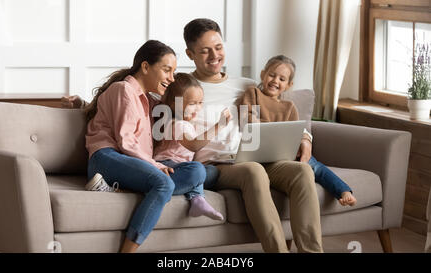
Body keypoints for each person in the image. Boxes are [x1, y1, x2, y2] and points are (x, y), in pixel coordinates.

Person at [183, 18, 323, 253]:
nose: (214, 56)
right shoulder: (185, 88)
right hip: (219, 164)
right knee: (253, 170)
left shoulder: (246, 85)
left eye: (218, 48)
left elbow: (282, 111)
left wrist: (305, 138)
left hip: (257, 155)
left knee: (302, 171)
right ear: (190, 54)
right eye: (205, 51)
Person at [85, 40, 209, 253]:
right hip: (106, 157)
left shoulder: (150, 102)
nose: (172, 78)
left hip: (130, 164)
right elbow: (126, 141)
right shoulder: (124, 89)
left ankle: (120, 189)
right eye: (166, 70)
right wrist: (155, 166)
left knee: (199, 171)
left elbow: (177, 112)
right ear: (145, 67)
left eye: (174, 72)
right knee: (164, 184)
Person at [236, 54, 357, 206]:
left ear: (289, 85)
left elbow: (297, 132)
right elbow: (247, 120)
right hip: (260, 152)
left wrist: (302, 143)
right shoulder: (253, 93)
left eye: (282, 79)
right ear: (263, 74)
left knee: (315, 166)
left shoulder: (289, 107)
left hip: (284, 152)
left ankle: (343, 191)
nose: (275, 81)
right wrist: (274, 127)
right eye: (272, 75)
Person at [153, 72, 232, 220]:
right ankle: (194, 196)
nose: (197, 108)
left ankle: (196, 199)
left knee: (212, 172)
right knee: (197, 169)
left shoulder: (187, 123)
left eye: (200, 102)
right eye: (192, 103)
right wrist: (219, 125)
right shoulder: (175, 124)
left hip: (182, 167)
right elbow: (194, 145)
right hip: (167, 166)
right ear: (173, 104)